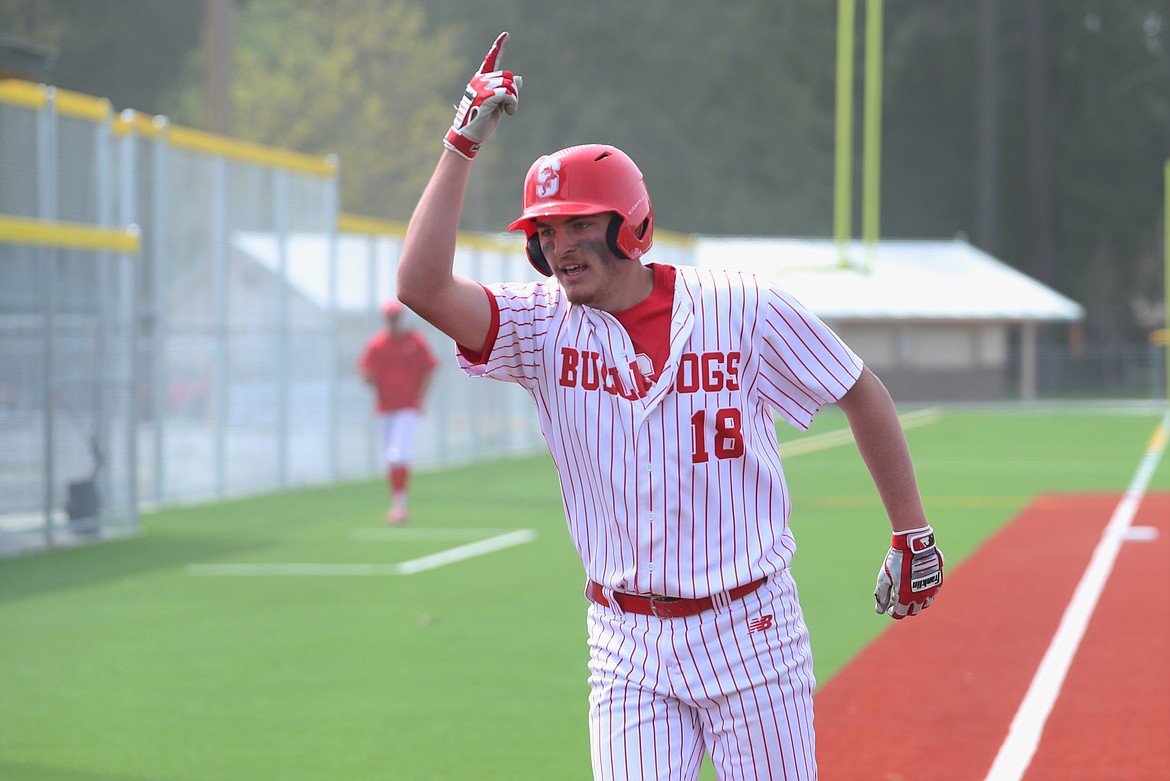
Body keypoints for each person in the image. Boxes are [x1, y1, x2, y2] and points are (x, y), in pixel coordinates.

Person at [397, 32, 945, 781]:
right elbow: (421, 286)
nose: (560, 247)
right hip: (624, 644)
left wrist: (911, 531)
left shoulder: (740, 306)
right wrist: (461, 142)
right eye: (545, 232)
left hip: (750, 630)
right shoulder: (541, 325)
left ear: (632, 224)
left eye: (580, 224)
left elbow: (859, 389)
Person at [357, 298, 438, 524]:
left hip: (407, 407)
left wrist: (420, 397)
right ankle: (397, 504)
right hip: (385, 408)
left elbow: (430, 368)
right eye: (389, 318)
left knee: (398, 455)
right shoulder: (377, 344)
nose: (392, 322)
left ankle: (400, 507)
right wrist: (371, 380)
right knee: (390, 458)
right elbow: (365, 372)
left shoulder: (414, 341)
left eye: (395, 318)